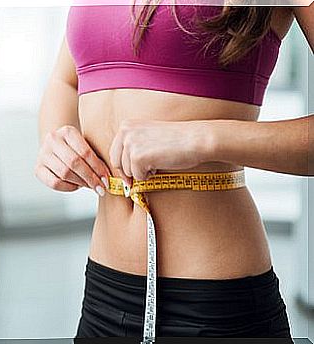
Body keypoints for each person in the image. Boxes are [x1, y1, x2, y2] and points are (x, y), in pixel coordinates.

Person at [35, 0, 313, 340]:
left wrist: (201, 137)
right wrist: (55, 139)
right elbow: (67, 80)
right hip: (102, 293)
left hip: (213, 304)